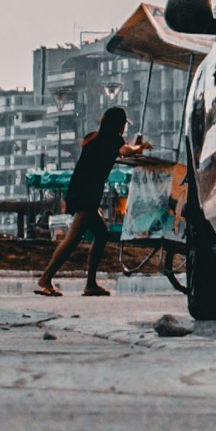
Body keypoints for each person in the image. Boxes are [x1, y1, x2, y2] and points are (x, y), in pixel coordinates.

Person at [37, 102, 132, 297]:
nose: (125, 128)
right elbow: (124, 152)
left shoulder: (95, 138)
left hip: (81, 192)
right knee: (72, 240)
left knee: (101, 235)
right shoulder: (113, 140)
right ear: (118, 125)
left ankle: (90, 284)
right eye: (123, 124)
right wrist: (141, 146)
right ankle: (46, 278)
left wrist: (134, 146)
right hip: (87, 196)